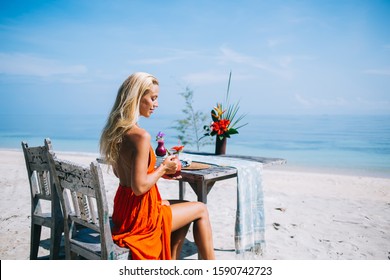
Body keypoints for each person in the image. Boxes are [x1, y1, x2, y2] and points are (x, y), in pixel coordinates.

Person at [99, 72, 215, 260]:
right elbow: (139, 188)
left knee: (184, 208)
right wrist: (162, 169)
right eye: (153, 98)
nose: (156, 104)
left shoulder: (117, 131)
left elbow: (121, 173)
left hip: (124, 210)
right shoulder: (141, 137)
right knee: (200, 208)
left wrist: (158, 172)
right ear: (137, 98)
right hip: (140, 217)